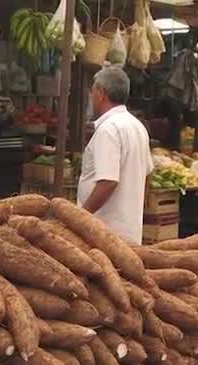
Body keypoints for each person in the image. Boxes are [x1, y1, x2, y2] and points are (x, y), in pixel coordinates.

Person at [77, 67, 153, 245]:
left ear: (101, 93)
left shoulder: (109, 130)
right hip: (128, 232)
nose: (91, 96)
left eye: (93, 91)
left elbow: (108, 181)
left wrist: (81, 218)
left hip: (104, 235)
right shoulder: (137, 126)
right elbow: (148, 174)